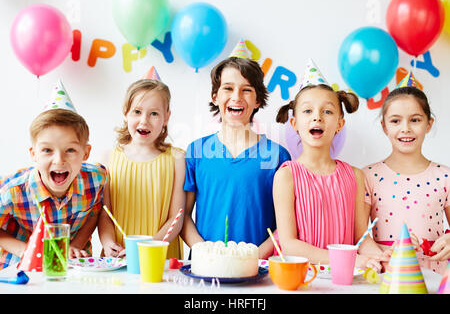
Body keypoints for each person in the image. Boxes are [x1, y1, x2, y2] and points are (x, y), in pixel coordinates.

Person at [181, 40, 291, 259]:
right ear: (215, 96)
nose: (236, 97)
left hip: (258, 269)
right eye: (228, 88)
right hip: (206, 266)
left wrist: (255, 257)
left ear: (258, 99)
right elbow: (182, 216)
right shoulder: (196, 151)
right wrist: (203, 251)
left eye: (246, 90)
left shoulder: (278, 156)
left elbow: (286, 224)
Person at [273, 67, 383, 269]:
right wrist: (351, 260)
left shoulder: (355, 176)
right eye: (308, 110)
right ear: (294, 123)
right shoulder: (286, 176)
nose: (317, 117)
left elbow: (361, 239)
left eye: (327, 111)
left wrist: (380, 256)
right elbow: (289, 246)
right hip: (300, 279)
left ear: (340, 124)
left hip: (344, 279)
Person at [0, 97, 107, 269]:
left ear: (86, 153)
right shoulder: (13, 190)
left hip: (73, 268)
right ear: (33, 153)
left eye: (70, 150)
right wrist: (26, 250)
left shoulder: (96, 179)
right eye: (47, 150)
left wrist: (76, 245)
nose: (59, 160)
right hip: (20, 269)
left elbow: (95, 213)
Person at [359, 85, 450, 274]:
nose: (406, 129)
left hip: (435, 278)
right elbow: (359, 236)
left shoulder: (445, 177)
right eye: (395, 121)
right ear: (384, 126)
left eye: (415, 120)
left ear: (428, 124)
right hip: (388, 277)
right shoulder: (367, 176)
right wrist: (384, 257)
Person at [97, 74, 186, 259]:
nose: (144, 120)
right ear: (125, 113)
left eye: (154, 113)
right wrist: (107, 243)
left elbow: (176, 219)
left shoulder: (177, 158)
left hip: (161, 256)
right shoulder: (108, 159)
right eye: (137, 112)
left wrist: (148, 249)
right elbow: (105, 214)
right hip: (118, 257)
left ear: (166, 117)